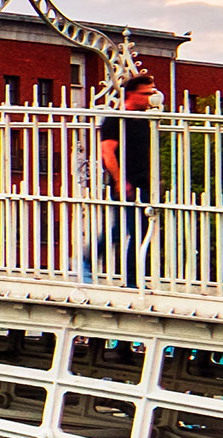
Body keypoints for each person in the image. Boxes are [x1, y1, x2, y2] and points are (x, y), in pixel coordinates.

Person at [88, 74, 161, 288]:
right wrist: (120, 180)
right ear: (131, 94)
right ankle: (131, 280)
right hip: (127, 184)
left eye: (152, 93)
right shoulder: (116, 119)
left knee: (124, 229)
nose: (150, 98)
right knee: (135, 230)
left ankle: (89, 260)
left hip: (144, 182)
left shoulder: (145, 120)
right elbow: (107, 152)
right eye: (146, 93)